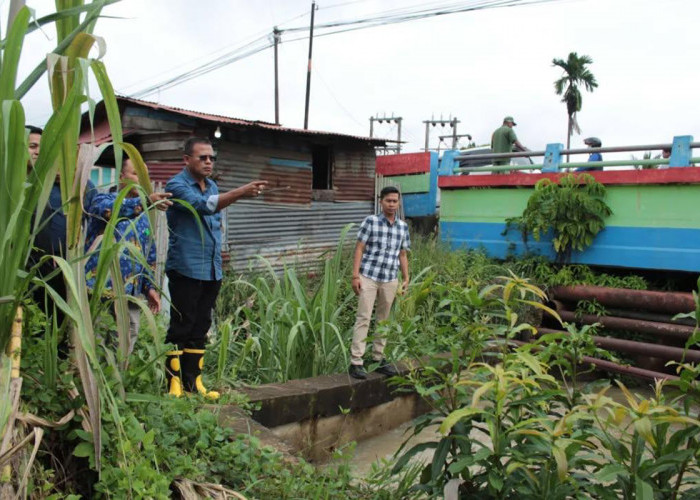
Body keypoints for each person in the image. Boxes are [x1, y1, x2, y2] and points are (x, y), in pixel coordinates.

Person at [164, 137, 268, 398]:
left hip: (211, 268)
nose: (209, 162)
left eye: (212, 158)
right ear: (187, 160)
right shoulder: (177, 185)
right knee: (182, 324)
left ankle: (193, 383)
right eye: (203, 157)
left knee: (201, 325)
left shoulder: (211, 185)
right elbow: (203, 207)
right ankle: (173, 384)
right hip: (186, 267)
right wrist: (241, 191)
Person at [84, 156, 172, 355]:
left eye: (145, 176)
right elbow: (110, 211)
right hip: (100, 291)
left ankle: (118, 383)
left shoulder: (144, 215)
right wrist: (145, 202)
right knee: (96, 341)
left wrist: (149, 288)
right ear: (122, 176)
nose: (141, 180)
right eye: (135, 174)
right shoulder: (103, 200)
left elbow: (149, 254)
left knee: (126, 340)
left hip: (131, 294)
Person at [28, 126, 96, 339]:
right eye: (32, 146)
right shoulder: (13, 185)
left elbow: (101, 205)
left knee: (57, 330)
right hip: (22, 272)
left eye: (42, 147)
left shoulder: (72, 185)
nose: (38, 152)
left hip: (61, 270)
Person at [348, 186, 410, 380]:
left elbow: (402, 254)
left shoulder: (403, 227)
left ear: (399, 202)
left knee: (383, 319)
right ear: (381, 201)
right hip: (369, 276)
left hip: (390, 278)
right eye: (388, 201)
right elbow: (359, 248)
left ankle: (378, 357)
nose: (391, 204)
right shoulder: (371, 222)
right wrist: (355, 276)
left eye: (395, 201)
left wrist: (406, 277)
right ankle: (356, 362)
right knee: (364, 317)